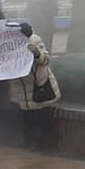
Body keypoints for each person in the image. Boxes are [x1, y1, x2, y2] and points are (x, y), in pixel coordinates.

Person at [10, 22, 61, 150]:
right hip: (21, 91)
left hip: (37, 88)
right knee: (26, 120)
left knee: (41, 119)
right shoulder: (9, 46)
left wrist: (37, 53)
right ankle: (30, 144)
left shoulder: (35, 41)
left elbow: (46, 60)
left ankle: (45, 146)